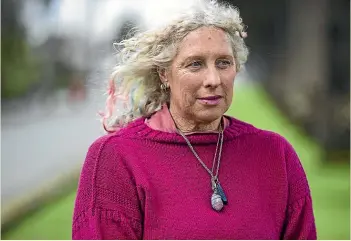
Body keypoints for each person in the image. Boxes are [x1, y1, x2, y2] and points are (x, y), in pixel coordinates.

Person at [72, 0, 317, 239]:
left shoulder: (276, 155)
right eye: (195, 64)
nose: (213, 79)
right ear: (164, 74)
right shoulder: (116, 157)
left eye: (223, 63)